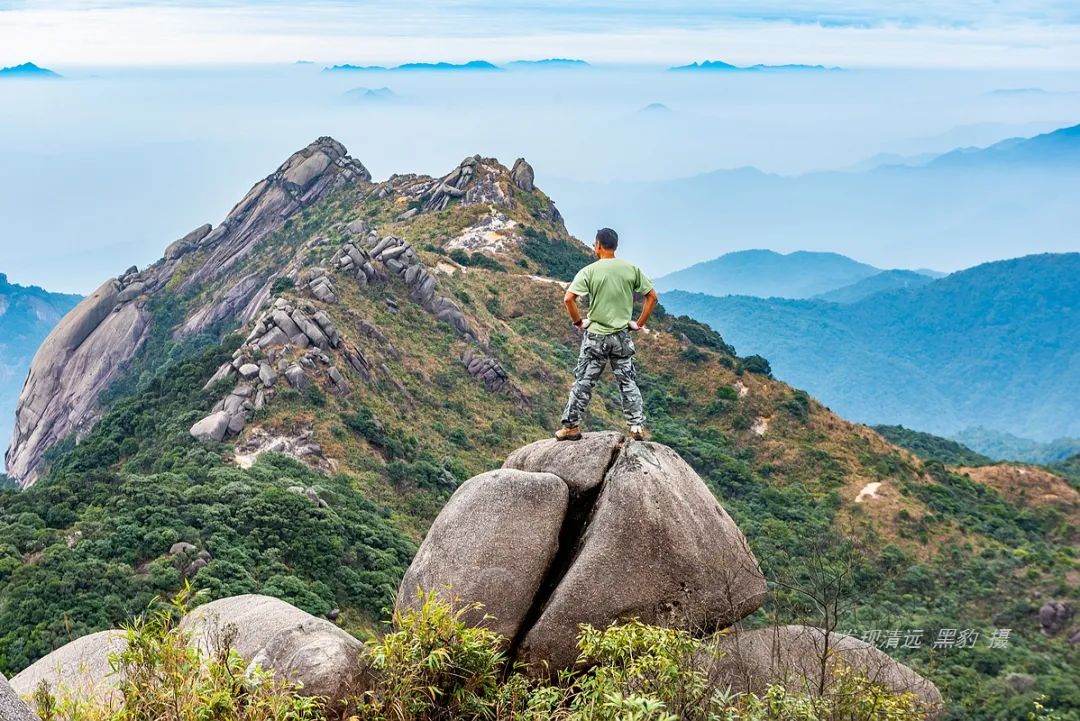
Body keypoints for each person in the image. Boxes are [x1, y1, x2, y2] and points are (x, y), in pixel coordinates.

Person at [556, 227, 657, 442]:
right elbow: (652, 297)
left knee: (584, 381)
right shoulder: (630, 269)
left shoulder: (589, 271)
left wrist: (578, 322)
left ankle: (571, 427)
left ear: (598, 245)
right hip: (621, 336)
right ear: (616, 246)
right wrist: (638, 323)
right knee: (627, 381)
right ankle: (636, 426)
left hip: (595, 338)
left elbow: (568, 299)